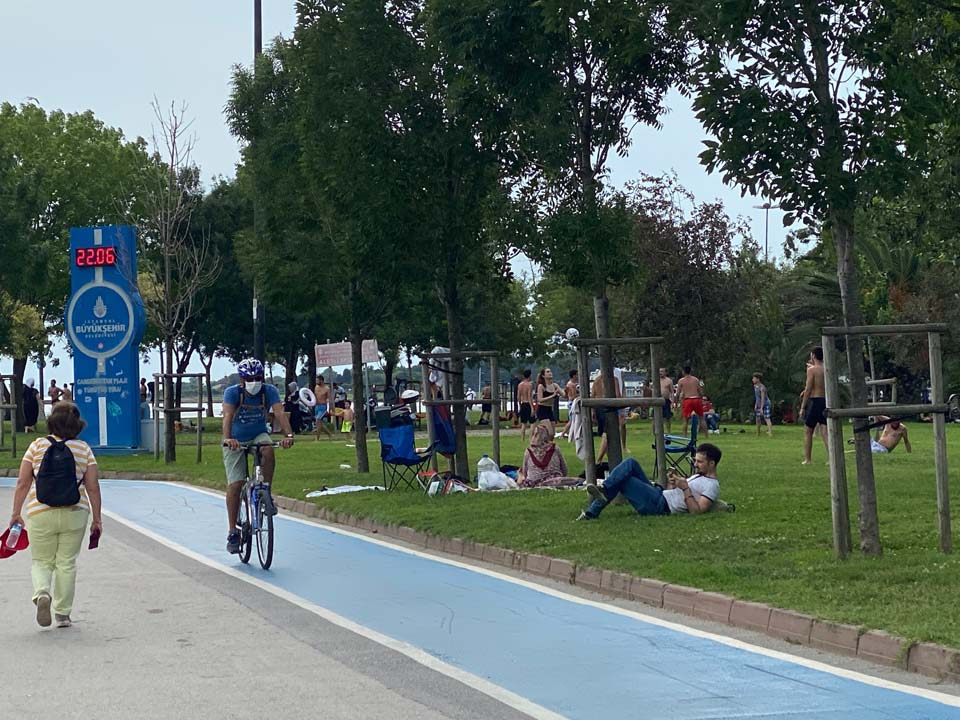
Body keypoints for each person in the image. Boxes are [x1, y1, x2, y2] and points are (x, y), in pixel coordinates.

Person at [7, 402, 102, 628]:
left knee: (41, 561)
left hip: (41, 512)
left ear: (51, 422)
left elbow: (23, 482)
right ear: (77, 425)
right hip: (75, 512)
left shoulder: (37, 446)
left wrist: (15, 514)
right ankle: (62, 614)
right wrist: (97, 518)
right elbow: (93, 486)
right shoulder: (83, 449)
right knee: (66, 563)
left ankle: (42, 594)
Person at [222, 358, 294, 555]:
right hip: (236, 438)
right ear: (242, 379)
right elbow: (227, 416)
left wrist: (288, 435)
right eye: (250, 378)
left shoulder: (268, 391)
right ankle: (232, 532)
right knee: (235, 484)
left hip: (257, 434)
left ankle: (267, 492)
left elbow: (279, 412)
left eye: (257, 377)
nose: (254, 381)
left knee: (268, 449)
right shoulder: (232, 393)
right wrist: (228, 439)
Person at [576, 443, 722, 521]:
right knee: (630, 463)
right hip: (660, 494)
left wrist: (685, 489)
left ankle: (594, 508)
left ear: (712, 464)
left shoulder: (712, 486)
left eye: (700, 462)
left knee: (624, 480)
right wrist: (673, 482)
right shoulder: (699, 476)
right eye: (695, 460)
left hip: (660, 506)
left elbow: (696, 512)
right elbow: (676, 494)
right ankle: (602, 492)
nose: (695, 464)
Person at [518, 421, 580, 488]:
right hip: (554, 480)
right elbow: (564, 469)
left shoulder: (529, 451)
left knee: (519, 474)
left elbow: (525, 472)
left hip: (534, 482)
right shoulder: (555, 448)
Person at [800, 347, 828, 465]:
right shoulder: (826, 369)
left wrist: (802, 407)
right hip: (825, 401)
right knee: (825, 431)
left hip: (815, 401)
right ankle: (831, 458)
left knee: (808, 431)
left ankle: (808, 459)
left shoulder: (812, 370)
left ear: (813, 356)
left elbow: (809, 388)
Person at [675, 365, 704, 436]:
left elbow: (678, 393)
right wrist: (701, 398)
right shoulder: (696, 379)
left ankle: (684, 435)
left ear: (683, 372)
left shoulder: (681, 380)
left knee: (685, 419)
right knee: (701, 418)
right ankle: (705, 434)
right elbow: (700, 391)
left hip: (688, 399)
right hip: (696, 399)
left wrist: (676, 402)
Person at [517, 369, 534, 440]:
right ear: (529, 375)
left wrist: (520, 405)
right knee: (532, 423)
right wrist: (532, 407)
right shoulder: (529, 385)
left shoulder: (520, 385)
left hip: (523, 404)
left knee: (523, 423)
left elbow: (518, 396)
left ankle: (522, 438)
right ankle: (530, 438)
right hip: (528, 404)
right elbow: (530, 397)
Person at [658, 367, 674, 434]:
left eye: (662, 371)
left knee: (667, 417)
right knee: (656, 417)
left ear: (665, 372)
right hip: (658, 401)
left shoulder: (669, 381)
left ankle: (668, 431)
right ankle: (656, 431)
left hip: (666, 400)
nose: (660, 373)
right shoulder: (656, 380)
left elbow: (672, 392)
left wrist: (673, 402)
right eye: (659, 371)